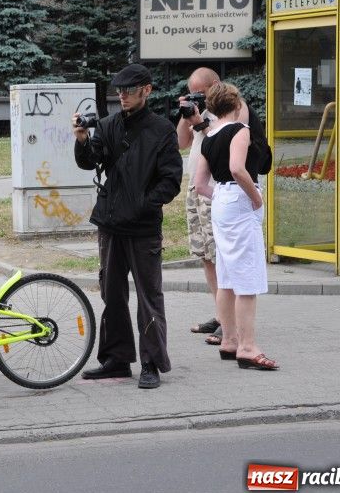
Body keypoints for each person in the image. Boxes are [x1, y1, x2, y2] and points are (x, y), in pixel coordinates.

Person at [73, 63, 183, 389]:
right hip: (110, 223)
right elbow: (88, 161)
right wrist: (82, 139)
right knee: (112, 293)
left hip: (144, 227)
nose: (123, 96)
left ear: (146, 90)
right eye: (119, 91)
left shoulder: (162, 130)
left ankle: (151, 362)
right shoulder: (107, 125)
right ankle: (116, 360)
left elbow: (171, 181)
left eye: (130, 91)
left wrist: (143, 204)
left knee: (149, 297)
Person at [193, 82, 278, 371]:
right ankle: (248, 346)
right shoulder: (241, 131)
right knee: (247, 279)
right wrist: (256, 198)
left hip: (221, 203)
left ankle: (229, 340)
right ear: (236, 104)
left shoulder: (208, 136)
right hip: (241, 200)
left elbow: (199, 184)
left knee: (227, 275)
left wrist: (221, 196)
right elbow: (237, 168)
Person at [177, 67, 248, 346]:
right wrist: (186, 115)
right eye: (194, 93)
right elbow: (181, 143)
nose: (199, 98)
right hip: (196, 188)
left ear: (215, 85)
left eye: (201, 93)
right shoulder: (199, 111)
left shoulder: (233, 108)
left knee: (221, 256)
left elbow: (227, 142)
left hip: (218, 190)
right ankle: (221, 317)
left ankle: (231, 325)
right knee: (206, 254)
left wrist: (201, 122)